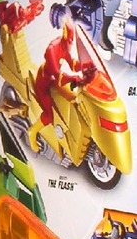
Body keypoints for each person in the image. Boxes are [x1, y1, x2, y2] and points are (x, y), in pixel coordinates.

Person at [28, 18, 94, 150]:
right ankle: (32, 132)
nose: (71, 44)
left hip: (54, 79)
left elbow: (72, 64)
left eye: (72, 41)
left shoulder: (65, 45)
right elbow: (57, 73)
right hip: (44, 82)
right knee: (49, 114)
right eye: (70, 41)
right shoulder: (53, 48)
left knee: (71, 98)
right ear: (64, 34)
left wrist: (87, 65)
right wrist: (73, 78)